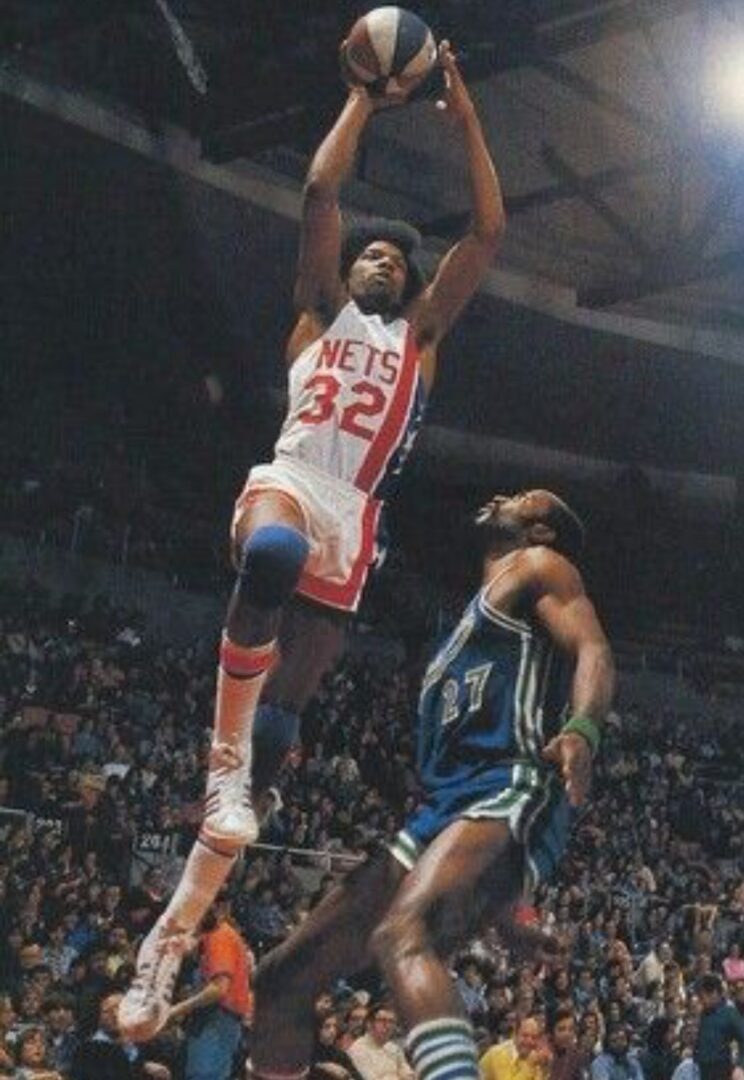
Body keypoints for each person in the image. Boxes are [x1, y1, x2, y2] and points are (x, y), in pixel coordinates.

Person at [119, 39, 505, 1042]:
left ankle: (179, 922)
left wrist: (462, 114)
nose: (382, 259)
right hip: (294, 481)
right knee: (271, 560)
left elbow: (489, 235)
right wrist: (361, 102)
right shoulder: (319, 314)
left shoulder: (419, 343)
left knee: (281, 732)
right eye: (370, 253)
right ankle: (220, 759)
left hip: (361, 516)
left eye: (397, 259)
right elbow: (319, 190)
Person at [249, 488, 614, 1080]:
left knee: (403, 934)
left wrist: (583, 729)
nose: (502, 496)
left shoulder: (543, 567)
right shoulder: (466, 621)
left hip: (512, 780)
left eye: (523, 499)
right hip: (443, 809)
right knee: (280, 981)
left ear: (542, 532)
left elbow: (593, 647)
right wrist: (498, 911)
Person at [166, 892, 254, 1080]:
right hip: (217, 1021)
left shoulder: (218, 936)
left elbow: (218, 989)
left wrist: (176, 1009)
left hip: (216, 1019)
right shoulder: (217, 936)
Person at [694, 974, 744, 1080]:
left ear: (715, 993)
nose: (700, 1001)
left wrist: (740, 1065)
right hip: (703, 1069)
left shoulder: (730, 1013)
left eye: (702, 997)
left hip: (722, 1068)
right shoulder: (704, 1013)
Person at [346, 1003, 414, 1080]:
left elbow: (407, 1073)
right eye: (382, 1021)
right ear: (369, 1024)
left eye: (391, 1021)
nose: (388, 1026)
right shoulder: (357, 1050)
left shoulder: (393, 1048)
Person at [480, 1015, 551, 1080]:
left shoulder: (532, 1055)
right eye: (525, 1035)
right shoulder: (498, 1053)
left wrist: (545, 1069)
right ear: (515, 1035)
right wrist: (529, 1065)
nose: (529, 1041)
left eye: (534, 1037)